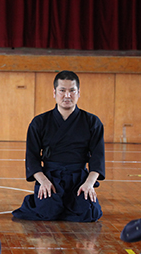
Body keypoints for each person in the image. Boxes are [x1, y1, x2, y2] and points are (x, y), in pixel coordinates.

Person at [12, 70, 104, 222]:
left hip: (79, 178)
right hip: (51, 177)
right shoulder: (39, 122)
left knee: (90, 214)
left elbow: (98, 157)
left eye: (72, 91)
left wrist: (89, 184)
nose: (67, 96)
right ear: (54, 93)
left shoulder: (92, 122)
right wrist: (43, 181)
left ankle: (66, 204)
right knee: (48, 213)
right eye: (62, 90)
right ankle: (35, 201)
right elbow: (32, 158)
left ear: (79, 92)